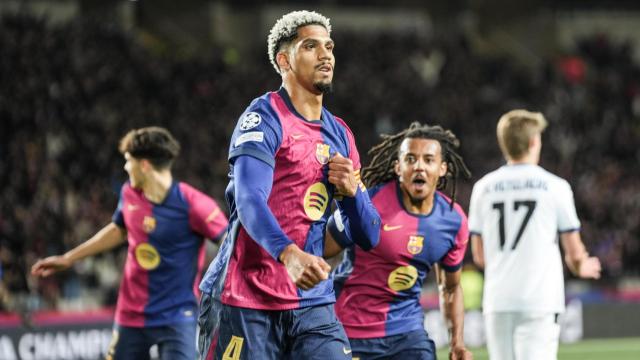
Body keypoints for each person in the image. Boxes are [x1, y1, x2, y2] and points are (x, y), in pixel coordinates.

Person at [197, 10, 381, 360]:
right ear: (284, 60)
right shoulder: (263, 117)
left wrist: (354, 194)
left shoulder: (341, 134)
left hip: (313, 303)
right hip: (245, 298)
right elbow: (249, 199)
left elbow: (370, 235)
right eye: (311, 46)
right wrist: (289, 254)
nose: (325, 54)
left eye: (329, 46)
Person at [31, 126, 229, 360]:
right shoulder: (129, 194)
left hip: (177, 317)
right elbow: (118, 229)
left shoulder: (195, 204)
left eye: (128, 161)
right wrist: (69, 258)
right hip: (131, 315)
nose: (126, 167)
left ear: (144, 165)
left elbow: (230, 243)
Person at [325, 122, 474, 360]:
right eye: (411, 159)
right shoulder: (367, 204)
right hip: (349, 329)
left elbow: (451, 287)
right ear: (398, 167)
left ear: (443, 168)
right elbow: (320, 250)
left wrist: (457, 343)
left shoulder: (453, 221)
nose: (419, 167)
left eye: (428, 159)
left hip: (407, 333)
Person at [468, 110, 602, 360]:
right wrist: (581, 265)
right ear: (533, 142)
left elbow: (479, 255)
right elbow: (573, 253)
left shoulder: (483, 188)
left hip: (498, 300)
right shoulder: (556, 187)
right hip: (538, 300)